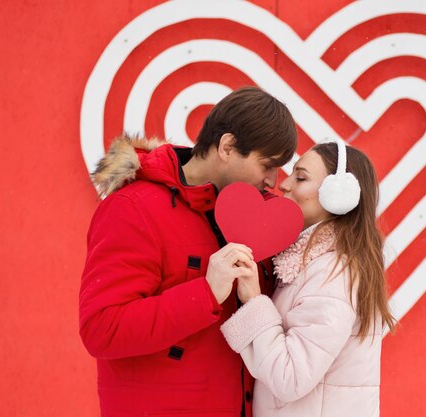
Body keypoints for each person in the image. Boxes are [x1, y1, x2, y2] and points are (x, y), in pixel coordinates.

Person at [79, 86, 297, 417]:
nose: (272, 180)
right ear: (227, 147)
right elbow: (102, 329)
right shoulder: (133, 209)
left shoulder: (258, 215)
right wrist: (205, 293)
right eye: (267, 165)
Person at [220, 141, 396, 417]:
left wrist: (253, 300)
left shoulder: (333, 274)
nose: (285, 184)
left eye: (300, 177)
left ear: (337, 196)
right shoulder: (311, 263)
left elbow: (290, 377)